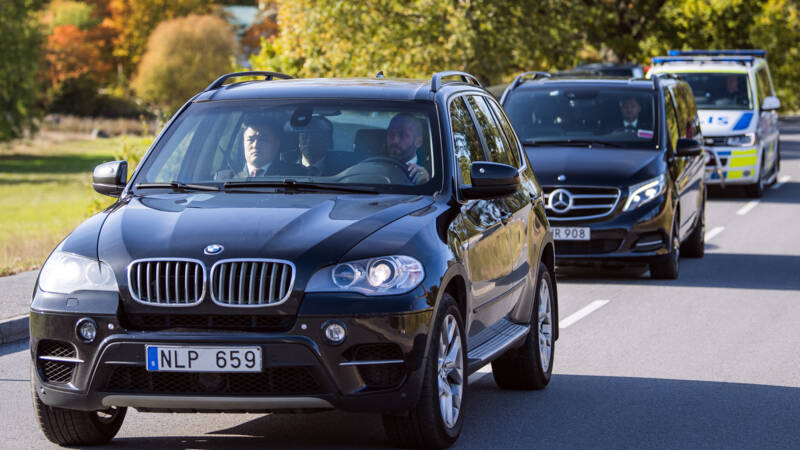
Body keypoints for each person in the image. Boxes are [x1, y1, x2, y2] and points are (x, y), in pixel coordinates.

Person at [238, 116, 305, 177]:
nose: (255, 145)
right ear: (243, 143)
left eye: (262, 139)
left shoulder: (297, 176)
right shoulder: (230, 179)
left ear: (276, 143)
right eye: (250, 139)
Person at [385, 113, 430, 184]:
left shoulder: (431, 175)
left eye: (402, 135)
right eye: (391, 134)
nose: (395, 140)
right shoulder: (371, 166)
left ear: (418, 142)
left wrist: (425, 183)